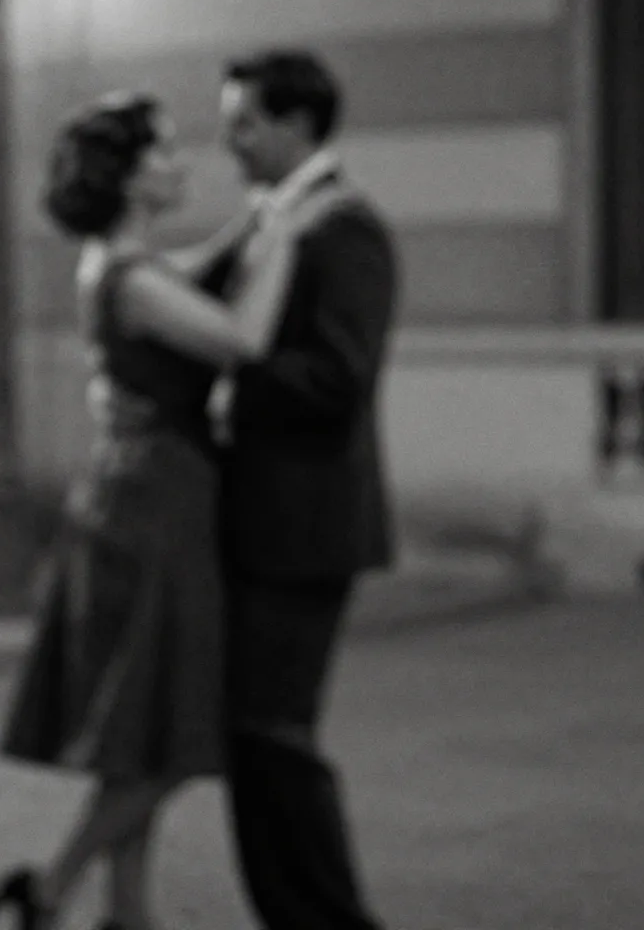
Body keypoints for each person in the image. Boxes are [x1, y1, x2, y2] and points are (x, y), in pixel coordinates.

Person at [0, 92, 343, 930]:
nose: (181, 164)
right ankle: (53, 887)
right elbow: (241, 341)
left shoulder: (125, 263)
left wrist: (257, 223)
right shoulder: (136, 279)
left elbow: (202, 266)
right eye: (162, 152)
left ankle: (127, 914)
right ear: (127, 177)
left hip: (138, 493)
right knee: (175, 730)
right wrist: (285, 240)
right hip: (158, 505)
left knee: (142, 728)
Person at [202, 49, 397, 930]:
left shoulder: (345, 229)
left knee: (275, 737)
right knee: (253, 738)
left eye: (244, 122)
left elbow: (339, 379)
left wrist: (231, 383)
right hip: (259, 522)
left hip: (305, 526)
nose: (230, 140)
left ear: (296, 123)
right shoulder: (268, 222)